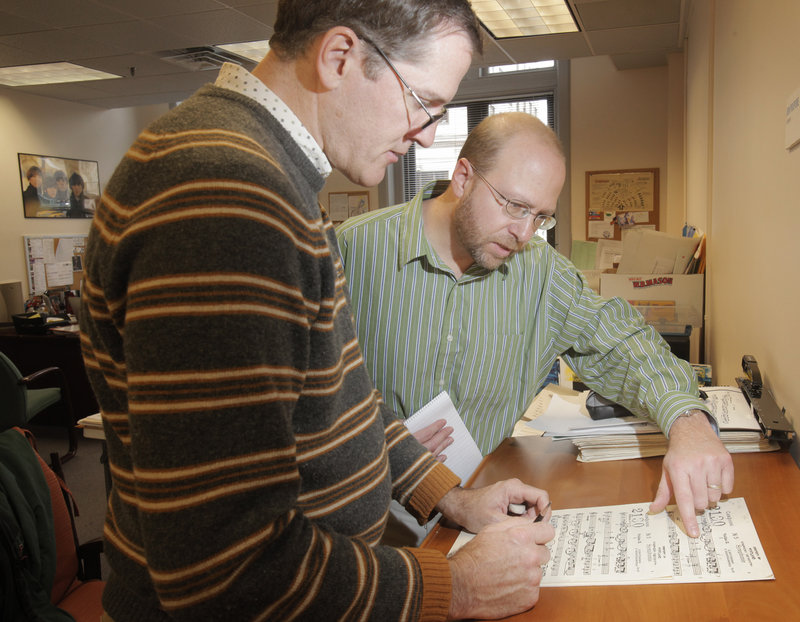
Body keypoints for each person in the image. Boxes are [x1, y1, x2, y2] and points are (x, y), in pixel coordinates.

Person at [80, 3, 555, 621]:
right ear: (339, 57)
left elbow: (338, 400)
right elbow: (228, 568)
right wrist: (454, 586)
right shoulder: (227, 196)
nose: (429, 134)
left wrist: (451, 498)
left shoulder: (270, 175)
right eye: (424, 103)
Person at [337, 112, 734, 543]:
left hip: (475, 519)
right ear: (464, 177)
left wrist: (688, 421)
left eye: (541, 217)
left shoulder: (541, 272)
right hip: (362, 521)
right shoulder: (353, 250)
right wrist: (378, 446)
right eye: (515, 206)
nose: (524, 233)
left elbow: (624, 343)